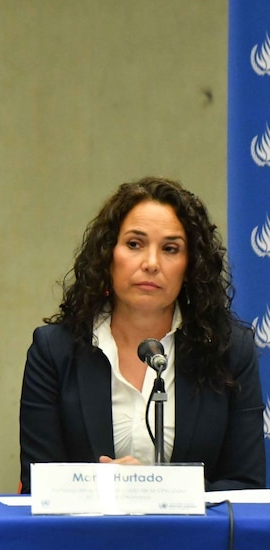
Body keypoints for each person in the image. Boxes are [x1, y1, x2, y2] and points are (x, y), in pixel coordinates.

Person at [19, 176, 265, 493]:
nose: (151, 263)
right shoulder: (54, 350)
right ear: (108, 255)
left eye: (170, 249)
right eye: (134, 244)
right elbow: (37, 482)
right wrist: (100, 485)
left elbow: (246, 485)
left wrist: (154, 488)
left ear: (190, 266)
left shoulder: (229, 351)